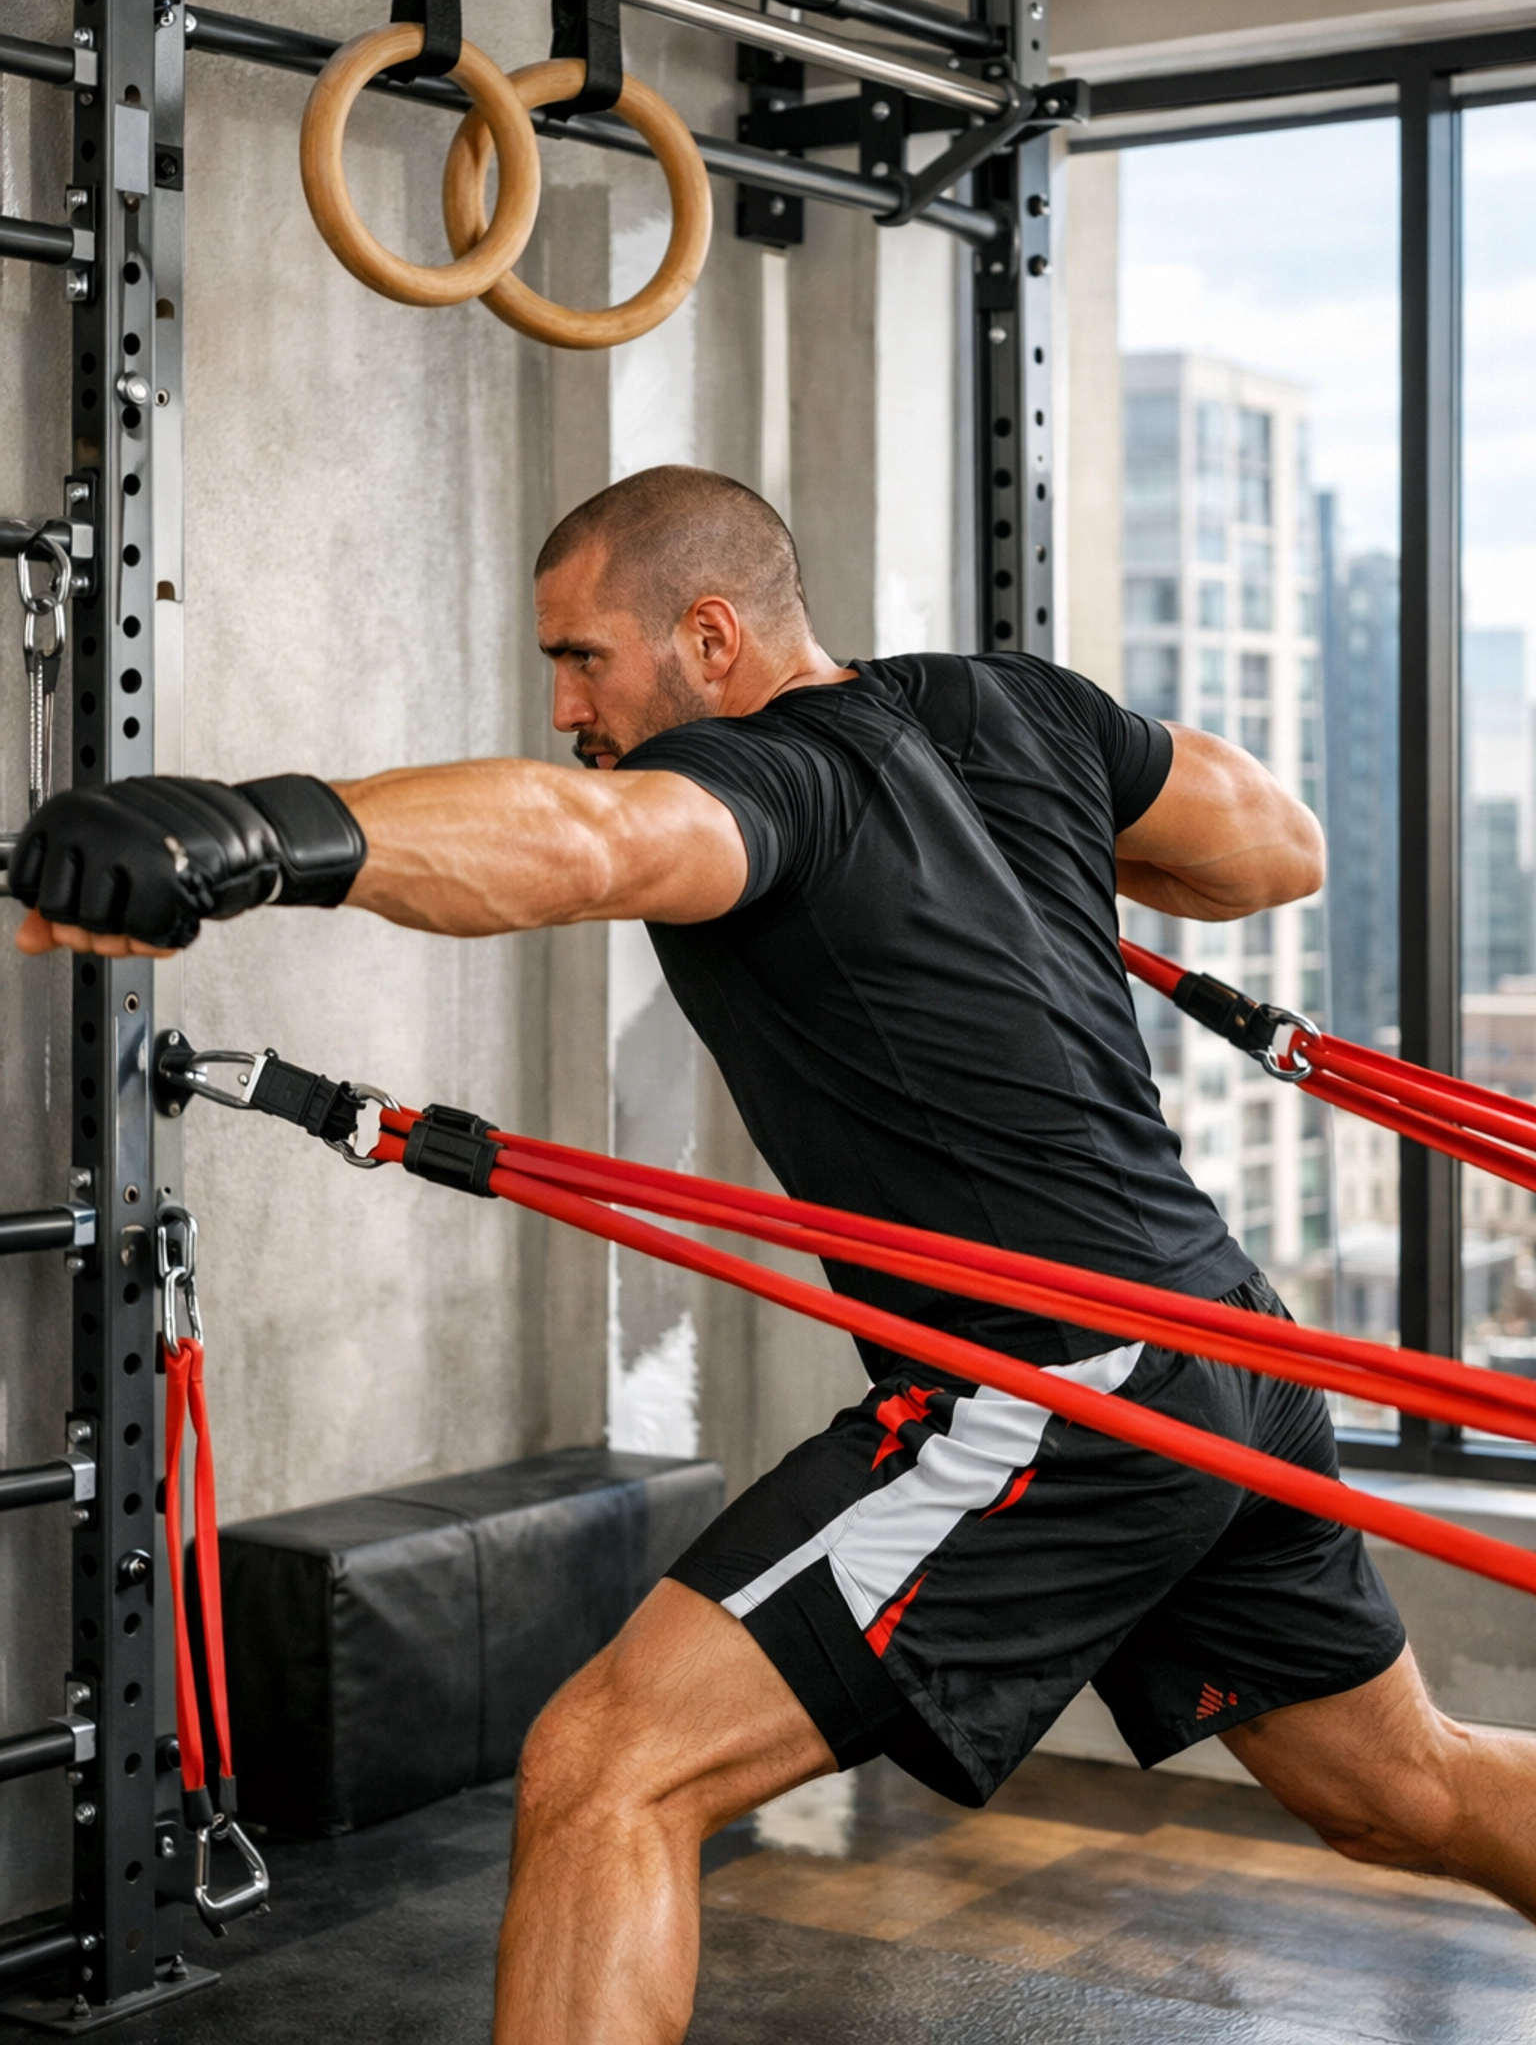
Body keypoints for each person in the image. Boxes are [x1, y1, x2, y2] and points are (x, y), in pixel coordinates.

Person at [13, 464, 1536, 2045]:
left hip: (1052, 1396)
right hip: (1230, 1346)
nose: (564, 703)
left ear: (713, 636)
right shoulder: (1022, 710)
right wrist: (1054, 859)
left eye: (585, 658)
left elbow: (588, 841)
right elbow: (1271, 851)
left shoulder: (762, 787)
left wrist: (261, 835)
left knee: (612, 1767)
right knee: (1405, 1788)